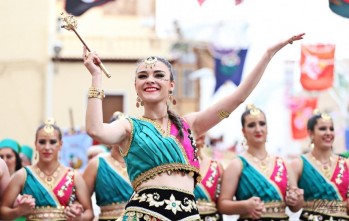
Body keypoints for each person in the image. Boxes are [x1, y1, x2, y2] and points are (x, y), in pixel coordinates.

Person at [83, 33, 305, 220]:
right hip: (145, 214)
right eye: (143, 76)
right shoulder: (129, 127)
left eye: (158, 75)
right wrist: (96, 78)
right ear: (136, 87)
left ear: (171, 85)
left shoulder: (190, 125)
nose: (150, 79)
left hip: (188, 215)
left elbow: (238, 98)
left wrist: (267, 55)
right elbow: (96, 130)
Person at [217, 104, 304, 221]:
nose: (258, 129)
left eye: (262, 124)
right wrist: (245, 206)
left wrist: (296, 200)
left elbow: (296, 207)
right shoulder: (237, 164)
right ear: (243, 131)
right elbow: (222, 204)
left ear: (267, 127)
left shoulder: (282, 163)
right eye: (251, 125)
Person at [0, 118, 94, 221]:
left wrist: (80, 217)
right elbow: (3, 211)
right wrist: (19, 211)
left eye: (53, 142)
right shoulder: (23, 175)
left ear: (61, 144)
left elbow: (89, 211)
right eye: (42, 142)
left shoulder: (73, 176)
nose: (47, 147)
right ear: (35, 144)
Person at [291, 110, 349, 220]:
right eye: (323, 129)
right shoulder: (298, 164)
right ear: (310, 133)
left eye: (331, 129)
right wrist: (294, 198)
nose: (328, 133)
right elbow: (294, 207)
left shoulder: (346, 163)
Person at [83, 111, 134, 221]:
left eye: (127, 133)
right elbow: (83, 203)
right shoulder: (96, 163)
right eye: (117, 133)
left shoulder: (142, 163)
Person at [194, 133, 224, 221]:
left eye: (203, 126)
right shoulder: (174, 166)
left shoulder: (217, 166)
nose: (199, 131)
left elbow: (221, 206)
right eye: (194, 125)